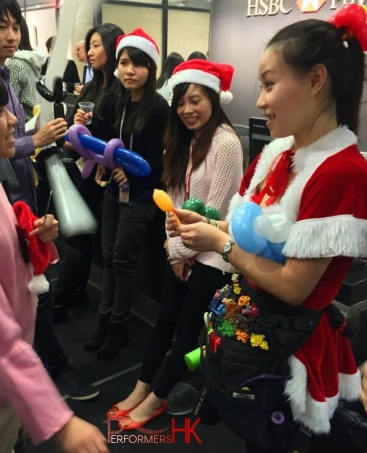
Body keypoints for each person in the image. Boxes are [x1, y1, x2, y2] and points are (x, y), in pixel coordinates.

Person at [166, 7, 367, 452]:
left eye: (270, 85)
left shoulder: (341, 171)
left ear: (316, 80)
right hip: (255, 333)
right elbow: (249, 229)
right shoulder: (277, 153)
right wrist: (207, 224)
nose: (260, 100)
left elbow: (294, 287)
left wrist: (220, 242)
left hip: (291, 346)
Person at [0, 58, 109, 453]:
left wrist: (32, 236)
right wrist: (61, 423)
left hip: (11, 370)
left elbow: (3, 255)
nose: (14, 120)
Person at [0, 0, 98, 401]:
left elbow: (4, 135)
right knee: (20, 291)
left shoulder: (3, 73)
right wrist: (33, 140)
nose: (12, 36)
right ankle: (42, 376)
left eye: (16, 27)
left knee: (29, 286)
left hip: (18, 195)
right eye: (1, 26)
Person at [107, 58, 243, 427]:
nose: (186, 109)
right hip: (181, 251)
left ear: (214, 99)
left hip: (213, 255)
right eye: (181, 101)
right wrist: (174, 251)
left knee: (185, 330)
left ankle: (155, 400)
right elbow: (174, 202)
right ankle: (141, 389)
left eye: (195, 100)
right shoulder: (185, 141)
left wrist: (178, 251)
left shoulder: (225, 143)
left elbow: (213, 211)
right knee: (164, 321)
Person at [83, 28, 170, 360]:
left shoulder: (160, 108)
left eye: (137, 63)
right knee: (107, 259)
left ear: (151, 68)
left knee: (122, 261)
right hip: (112, 193)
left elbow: (163, 161)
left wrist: (130, 168)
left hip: (142, 196)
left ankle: (118, 327)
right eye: (124, 63)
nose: (129, 70)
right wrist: (88, 132)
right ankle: (105, 322)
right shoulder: (113, 99)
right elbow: (100, 138)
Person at [52, 23, 124, 320]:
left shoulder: (121, 91)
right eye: (89, 46)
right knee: (81, 237)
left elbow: (117, 136)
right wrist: (77, 122)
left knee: (83, 239)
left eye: (96, 45)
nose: (90, 52)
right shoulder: (92, 86)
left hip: (106, 175)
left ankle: (58, 302)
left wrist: (90, 127)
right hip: (83, 171)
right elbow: (69, 133)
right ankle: (75, 293)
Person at [7, 16, 47, 122]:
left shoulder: (14, 64)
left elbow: (9, 110)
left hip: (24, 128)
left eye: (15, 29)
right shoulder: (30, 60)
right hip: (35, 123)